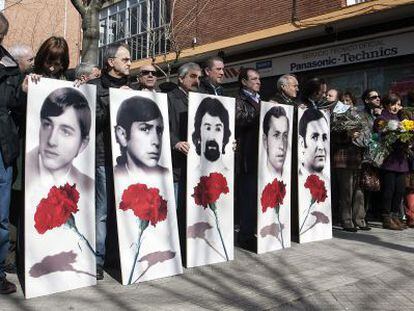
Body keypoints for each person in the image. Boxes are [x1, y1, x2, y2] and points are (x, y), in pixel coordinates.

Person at [88, 42, 135, 280]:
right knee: (103, 211)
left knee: (123, 209)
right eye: (125, 59)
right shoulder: (94, 87)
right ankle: (97, 260)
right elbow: (92, 119)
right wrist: (116, 101)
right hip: (103, 157)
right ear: (110, 62)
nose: (130, 63)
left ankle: (118, 259)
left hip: (127, 161)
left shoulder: (132, 86)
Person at [0, 12, 26, 295]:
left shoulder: (10, 69)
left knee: (1, 214)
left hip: (3, 147)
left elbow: (17, 108)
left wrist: (25, 92)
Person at [26, 87, 93, 191]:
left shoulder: (88, 188)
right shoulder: (25, 172)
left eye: (65, 132)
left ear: (82, 144)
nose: (51, 141)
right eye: (47, 125)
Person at [235, 67, 261, 248]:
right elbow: (239, 119)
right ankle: (245, 235)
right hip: (247, 155)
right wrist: (261, 113)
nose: (258, 82)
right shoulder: (239, 99)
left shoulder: (261, 99)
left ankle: (256, 230)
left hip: (262, 155)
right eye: (253, 79)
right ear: (244, 82)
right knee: (248, 196)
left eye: (259, 79)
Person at [168, 62, 201, 201]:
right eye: (193, 76)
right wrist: (176, 143)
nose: (197, 81)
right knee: (177, 207)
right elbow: (161, 128)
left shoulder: (201, 99)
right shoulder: (169, 98)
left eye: (199, 78)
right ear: (181, 79)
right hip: (177, 165)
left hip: (196, 166)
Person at [374, 94, 408, 230]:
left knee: (400, 190)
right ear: (387, 104)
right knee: (389, 190)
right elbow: (379, 130)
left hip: (400, 159)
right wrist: (393, 128)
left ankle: (395, 216)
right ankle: (386, 217)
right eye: (393, 104)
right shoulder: (382, 118)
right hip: (389, 160)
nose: (396, 107)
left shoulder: (402, 118)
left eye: (398, 104)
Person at [114, 95, 167, 180]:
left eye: (159, 131)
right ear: (122, 135)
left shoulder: (166, 176)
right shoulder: (115, 176)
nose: (156, 142)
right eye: (145, 129)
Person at [192, 97, 231, 174]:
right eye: (208, 128)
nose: (212, 137)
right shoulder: (192, 175)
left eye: (218, 129)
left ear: (225, 135)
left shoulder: (229, 175)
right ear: (198, 132)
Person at [298, 108, 329, 177]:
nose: (321, 147)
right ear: (302, 142)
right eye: (314, 137)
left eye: (324, 137)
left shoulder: (329, 182)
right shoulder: (294, 180)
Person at [262, 106, 289, 178]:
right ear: (265, 141)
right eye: (276, 135)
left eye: (285, 136)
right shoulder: (258, 180)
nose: (282, 146)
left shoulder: (291, 179)